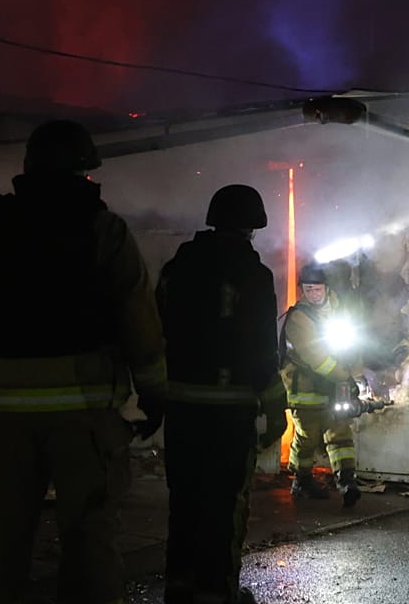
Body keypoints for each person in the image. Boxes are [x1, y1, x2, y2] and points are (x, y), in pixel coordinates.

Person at [0, 119, 166, 604]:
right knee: (89, 539)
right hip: (83, 417)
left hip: (3, 416)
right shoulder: (106, 232)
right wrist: (153, 391)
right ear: (84, 172)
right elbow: (138, 320)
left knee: (0, 540)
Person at [155, 184, 287, 604]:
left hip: (180, 409)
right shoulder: (253, 274)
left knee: (186, 502)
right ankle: (217, 593)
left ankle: (179, 590)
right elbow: (261, 347)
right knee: (223, 507)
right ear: (253, 226)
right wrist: (276, 407)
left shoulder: (177, 267)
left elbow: (157, 328)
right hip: (228, 413)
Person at [279, 262, 363, 506]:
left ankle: (347, 482)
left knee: (340, 431)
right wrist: (344, 377)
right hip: (305, 388)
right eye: (308, 289)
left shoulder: (339, 311)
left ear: (326, 288)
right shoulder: (299, 317)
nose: (313, 294)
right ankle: (301, 480)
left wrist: (354, 375)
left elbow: (354, 344)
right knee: (308, 435)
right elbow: (317, 359)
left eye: (317, 289)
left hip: (334, 384)